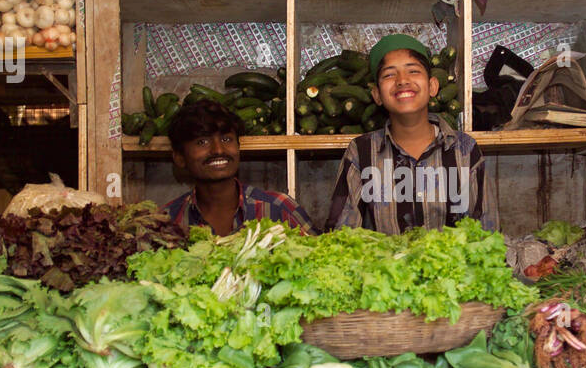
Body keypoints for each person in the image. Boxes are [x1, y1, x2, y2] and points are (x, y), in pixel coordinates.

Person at [326, 34, 497, 234]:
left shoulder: (465, 150)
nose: (402, 80)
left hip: (454, 265)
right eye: (389, 74)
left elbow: (487, 232)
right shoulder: (361, 152)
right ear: (377, 95)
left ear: (433, 86)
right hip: (384, 265)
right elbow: (341, 235)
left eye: (413, 71)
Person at [165, 100, 315, 235]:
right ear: (179, 157)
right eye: (202, 142)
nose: (218, 150)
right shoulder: (165, 222)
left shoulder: (279, 208)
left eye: (226, 139)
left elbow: (322, 259)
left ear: (238, 147)